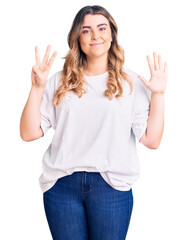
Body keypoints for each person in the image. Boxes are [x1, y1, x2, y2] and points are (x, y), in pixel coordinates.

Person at [20, 5, 168, 240]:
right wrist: (37, 87)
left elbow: (152, 140)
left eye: (102, 28)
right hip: (61, 185)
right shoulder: (59, 80)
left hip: (112, 186)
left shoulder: (130, 82)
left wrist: (158, 94)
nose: (96, 35)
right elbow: (28, 133)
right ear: (77, 38)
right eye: (86, 30)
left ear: (112, 35)